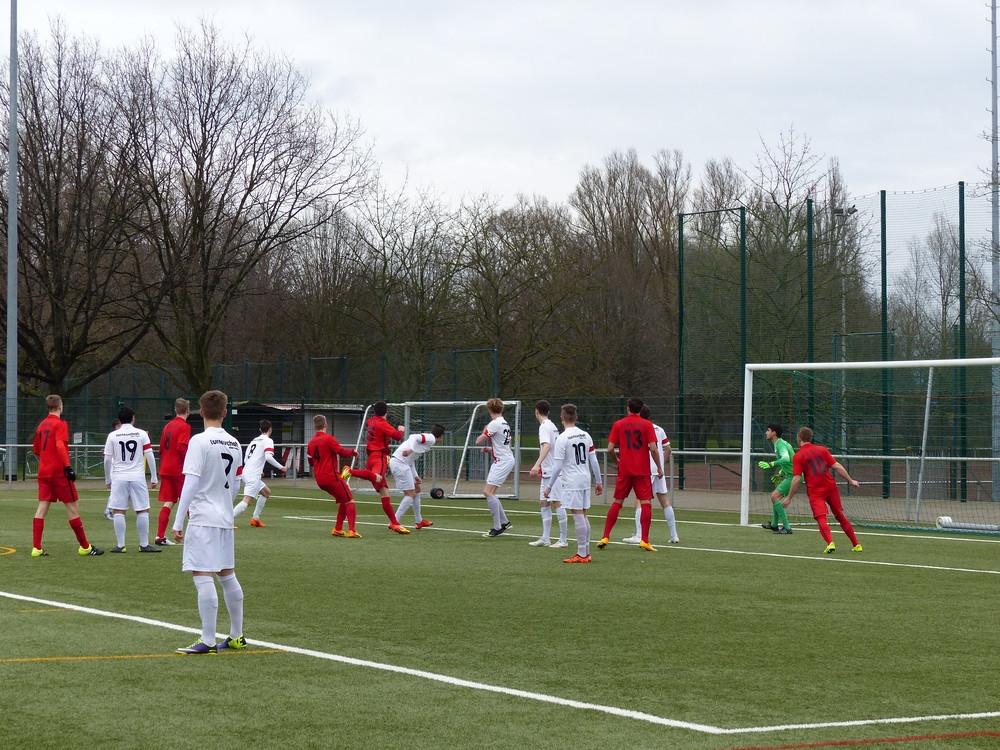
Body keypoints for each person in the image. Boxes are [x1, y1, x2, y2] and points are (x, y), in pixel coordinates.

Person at [172, 390, 246, 655]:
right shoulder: (235, 443)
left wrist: (178, 520)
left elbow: (191, 482)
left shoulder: (199, 441)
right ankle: (236, 635)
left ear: (201, 413)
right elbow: (236, 484)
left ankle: (208, 639)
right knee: (227, 574)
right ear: (224, 413)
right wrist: (224, 505)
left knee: (202, 575)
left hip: (203, 518)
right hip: (225, 518)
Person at [30, 394, 103, 557]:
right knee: (72, 507)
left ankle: (36, 547)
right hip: (58, 473)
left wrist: (48, 458)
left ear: (47, 407)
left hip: (44, 472)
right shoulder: (60, 424)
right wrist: (68, 466)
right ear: (60, 406)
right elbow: (59, 445)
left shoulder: (41, 425)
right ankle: (85, 547)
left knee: (42, 508)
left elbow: (36, 450)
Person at [596, 396, 662, 552]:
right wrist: (659, 467)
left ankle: (605, 536)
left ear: (628, 408)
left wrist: (618, 461)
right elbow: (653, 449)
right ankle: (645, 540)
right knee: (646, 503)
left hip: (625, 469)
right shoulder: (647, 425)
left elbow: (610, 449)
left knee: (617, 502)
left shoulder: (618, 424)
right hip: (642, 470)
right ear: (640, 409)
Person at [783, 427, 863, 554]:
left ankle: (830, 543)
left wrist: (788, 498)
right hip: (831, 487)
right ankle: (856, 544)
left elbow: (797, 479)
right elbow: (837, 466)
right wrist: (851, 480)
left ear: (799, 438)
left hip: (815, 491)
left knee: (821, 517)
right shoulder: (822, 449)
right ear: (811, 438)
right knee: (840, 515)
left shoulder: (798, 456)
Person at [543, 404, 603, 563]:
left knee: (577, 515)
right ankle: (586, 552)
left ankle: (582, 554)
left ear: (561, 418)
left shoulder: (562, 438)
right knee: (583, 514)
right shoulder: (585, 435)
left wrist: (549, 486)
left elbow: (557, 466)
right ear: (576, 417)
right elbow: (594, 460)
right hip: (585, 479)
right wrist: (598, 481)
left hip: (572, 480)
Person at [342, 401, 412, 533]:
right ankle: (350, 471)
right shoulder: (382, 423)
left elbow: (372, 424)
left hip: (371, 457)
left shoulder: (372, 421)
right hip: (379, 456)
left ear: (374, 412)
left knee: (385, 492)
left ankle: (395, 523)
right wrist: (401, 430)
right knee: (378, 478)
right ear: (387, 412)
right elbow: (397, 437)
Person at [104, 406, 161, 553]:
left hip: (119, 477)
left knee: (119, 511)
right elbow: (149, 455)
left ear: (119, 419)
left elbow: (107, 459)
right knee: (142, 510)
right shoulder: (141, 434)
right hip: (137, 477)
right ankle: (144, 544)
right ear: (133, 418)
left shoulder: (113, 435)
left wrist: (108, 478)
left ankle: (120, 545)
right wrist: (154, 476)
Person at [624, 405, 679, 545]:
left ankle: (639, 535)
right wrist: (661, 465)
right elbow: (668, 449)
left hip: (645, 469)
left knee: (639, 500)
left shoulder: (640, 428)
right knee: (664, 500)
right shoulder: (659, 429)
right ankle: (674, 535)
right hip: (658, 469)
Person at [307, 414, 363, 538]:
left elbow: (310, 462)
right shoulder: (328, 439)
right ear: (326, 425)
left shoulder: (310, 443)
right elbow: (342, 453)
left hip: (319, 479)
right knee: (350, 499)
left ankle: (338, 528)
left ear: (314, 427)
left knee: (344, 499)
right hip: (331, 477)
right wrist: (352, 452)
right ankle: (352, 530)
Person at [527, 399, 568, 548]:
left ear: (536, 411)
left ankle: (563, 539)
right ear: (548, 412)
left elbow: (547, 446)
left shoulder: (544, 426)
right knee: (544, 503)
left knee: (557, 503)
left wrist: (536, 465)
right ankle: (545, 538)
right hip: (548, 471)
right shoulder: (552, 425)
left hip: (553, 471)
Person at [389, 425, 446, 528]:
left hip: (401, 463)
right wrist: (410, 449)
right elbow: (413, 436)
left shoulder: (428, 442)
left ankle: (419, 521)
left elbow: (410, 461)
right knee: (410, 494)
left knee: (417, 490)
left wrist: (415, 476)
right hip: (399, 463)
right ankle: (394, 521)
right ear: (441, 436)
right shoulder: (431, 438)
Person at [233, 419, 286, 527]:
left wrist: (259, 470)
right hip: (252, 475)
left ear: (260, 430)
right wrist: (281, 467)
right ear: (270, 429)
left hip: (247, 472)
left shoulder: (254, 441)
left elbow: (246, 459)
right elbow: (268, 457)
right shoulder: (268, 440)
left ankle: (255, 519)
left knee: (266, 492)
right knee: (247, 501)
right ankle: (227, 521)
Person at [475, 398, 514, 537]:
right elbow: (506, 446)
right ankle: (505, 522)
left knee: (488, 492)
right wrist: (491, 449)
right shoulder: (505, 423)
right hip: (504, 459)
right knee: (490, 492)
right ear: (501, 409)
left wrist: (485, 430)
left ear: (490, 410)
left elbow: (478, 441)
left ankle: (498, 527)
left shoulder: (494, 423)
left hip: (503, 461)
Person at [155, 398, 191, 545]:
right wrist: (189, 463)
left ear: (176, 410)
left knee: (169, 501)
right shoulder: (185, 426)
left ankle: (160, 536)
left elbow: (161, 449)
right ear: (188, 410)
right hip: (178, 469)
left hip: (165, 467)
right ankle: (197, 535)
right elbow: (181, 447)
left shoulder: (167, 426)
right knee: (188, 499)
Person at [758, 422, 794, 535]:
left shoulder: (780, 444)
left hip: (794, 476)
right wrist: (781, 474)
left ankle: (787, 528)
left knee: (774, 496)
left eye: (768, 430)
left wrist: (770, 464)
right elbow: (791, 462)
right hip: (791, 475)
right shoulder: (780, 444)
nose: (766, 432)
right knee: (774, 496)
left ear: (774, 433)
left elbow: (786, 459)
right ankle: (774, 525)